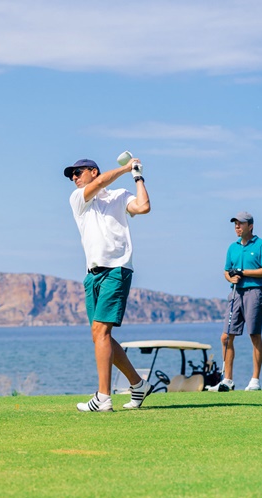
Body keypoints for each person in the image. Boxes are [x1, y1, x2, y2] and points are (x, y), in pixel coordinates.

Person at [64, 156, 153, 412]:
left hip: (117, 269)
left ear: (92, 171)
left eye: (78, 172)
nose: (74, 178)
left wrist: (137, 176)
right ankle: (138, 384)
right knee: (99, 335)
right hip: (92, 274)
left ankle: (103, 397)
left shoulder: (119, 195)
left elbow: (143, 207)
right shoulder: (78, 198)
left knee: (101, 333)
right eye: (72, 175)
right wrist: (126, 167)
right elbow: (103, 181)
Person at [209, 211, 262, 392]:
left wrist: (243, 273)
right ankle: (227, 380)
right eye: (235, 224)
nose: (237, 227)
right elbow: (226, 271)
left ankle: (255, 380)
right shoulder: (232, 247)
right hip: (235, 293)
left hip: (254, 292)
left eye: (241, 224)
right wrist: (231, 278)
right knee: (226, 337)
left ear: (250, 226)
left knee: (254, 335)